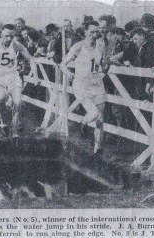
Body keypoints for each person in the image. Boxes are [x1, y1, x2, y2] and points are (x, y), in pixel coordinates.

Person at [0, 24, 40, 146]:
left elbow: (30, 59)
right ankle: (3, 123)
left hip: (13, 77)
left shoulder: (16, 45)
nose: (9, 39)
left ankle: (15, 134)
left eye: (11, 36)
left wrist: (35, 76)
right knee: (1, 98)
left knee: (17, 102)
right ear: (1, 35)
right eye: (6, 36)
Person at [60, 21, 107, 154]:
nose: (94, 34)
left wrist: (106, 65)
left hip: (97, 84)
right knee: (93, 113)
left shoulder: (100, 46)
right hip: (81, 85)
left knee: (100, 119)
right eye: (92, 32)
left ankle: (97, 147)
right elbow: (63, 64)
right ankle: (83, 123)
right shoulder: (78, 46)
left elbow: (102, 66)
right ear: (85, 32)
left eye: (96, 32)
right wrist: (68, 73)